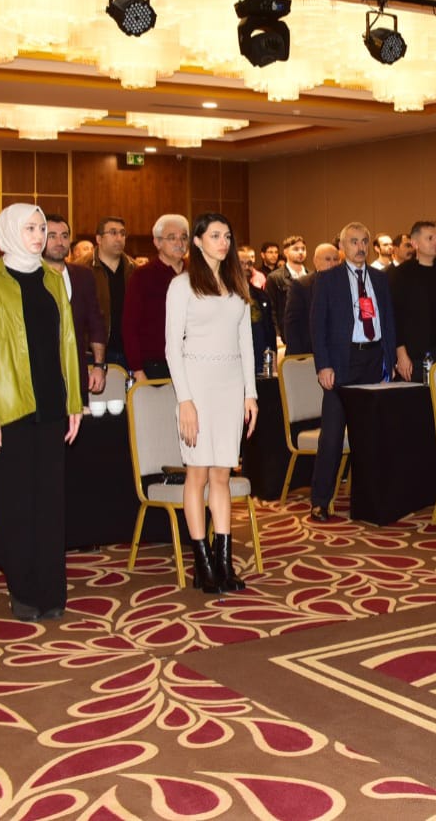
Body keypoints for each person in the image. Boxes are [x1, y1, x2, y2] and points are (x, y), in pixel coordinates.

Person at [0, 204, 83, 622]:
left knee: (50, 505)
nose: (39, 235)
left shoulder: (53, 279)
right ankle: (23, 588)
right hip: (7, 408)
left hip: (51, 406)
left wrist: (75, 402)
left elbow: (68, 343)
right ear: (8, 233)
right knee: (14, 505)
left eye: (41, 228)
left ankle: (51, 591)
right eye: (30, 228)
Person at [166, 212, 259, 592]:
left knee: (223, 474)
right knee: (198, 473)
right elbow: (172, 347)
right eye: (215, 235)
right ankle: (202, 562)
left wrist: (250, 393)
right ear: (198, 241)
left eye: (227, 236)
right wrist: (185, 400)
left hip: (230, 384)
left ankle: (224, 562)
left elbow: (246, 344)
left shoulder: (237, 284)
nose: (223, 242)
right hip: (197, 385)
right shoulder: (182, 285)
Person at [309, 222, 396, 523]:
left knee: (370, 436)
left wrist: (390, 357)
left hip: (373, 360)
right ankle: (320, 501)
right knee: (332, 436)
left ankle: (368, 501)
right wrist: (323, 365)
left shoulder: (380, 279)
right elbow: (317, 326)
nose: (360, 247)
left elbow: (388, 321)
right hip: (341, 363)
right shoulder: (328, 279)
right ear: (343, 247)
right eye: (354, 242)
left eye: (364, 242)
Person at [390, 221, 436, 381]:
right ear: (415, 243)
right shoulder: (401, 274)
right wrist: (401, 354)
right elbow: (396, 317)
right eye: (430, 238)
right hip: (414, 354)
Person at [44, 215, 108, 398]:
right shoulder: (29, 278)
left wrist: (99, 365)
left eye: (64, 236)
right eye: (52, 236)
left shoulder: (83, 276)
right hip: (39, 375)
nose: (59, 242)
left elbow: (96, 323)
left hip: (77, 372)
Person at [123, 214, 189, 380]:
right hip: (155, 365)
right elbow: (130, 326)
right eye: (172, 238)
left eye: (183, 238)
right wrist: (137, 369)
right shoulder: (142, 276)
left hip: (192, 362)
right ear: (157, 242)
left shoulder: (196, 274)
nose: (179, 243)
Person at [91, 216, 137, 369]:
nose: (119, 238)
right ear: (99, 238)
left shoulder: (135, 270)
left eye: (122, 233)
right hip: (94, 353)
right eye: (113, 233)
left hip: (128, 350)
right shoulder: (83, 269)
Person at [283, 243, 339, 357]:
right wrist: (298, 357)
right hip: (308, 352)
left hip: (336, 353)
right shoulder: (301, 285)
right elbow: (291, 324)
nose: (333, 263)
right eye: (328, 259)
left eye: (336, 259)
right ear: (315, 261)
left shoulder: (343, 285)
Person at [264, 235, 310, 342]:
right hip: (286, 333)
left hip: (308, 333)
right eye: (296, 249)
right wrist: (276, 334)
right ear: (286, 252)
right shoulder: (274, 277)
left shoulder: (311, 275)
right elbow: (271, 310)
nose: (300, 252)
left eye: (303, 249)